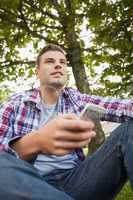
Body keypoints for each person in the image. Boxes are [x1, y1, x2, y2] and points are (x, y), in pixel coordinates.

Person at [0, 44, 133, 200]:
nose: (58, 65)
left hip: (77, 181)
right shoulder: (15, 104)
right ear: (37, 72)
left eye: (63, 62)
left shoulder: (75, 98)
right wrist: (37, 141)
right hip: (29, 182)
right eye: (50, 61)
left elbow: (123, 107)